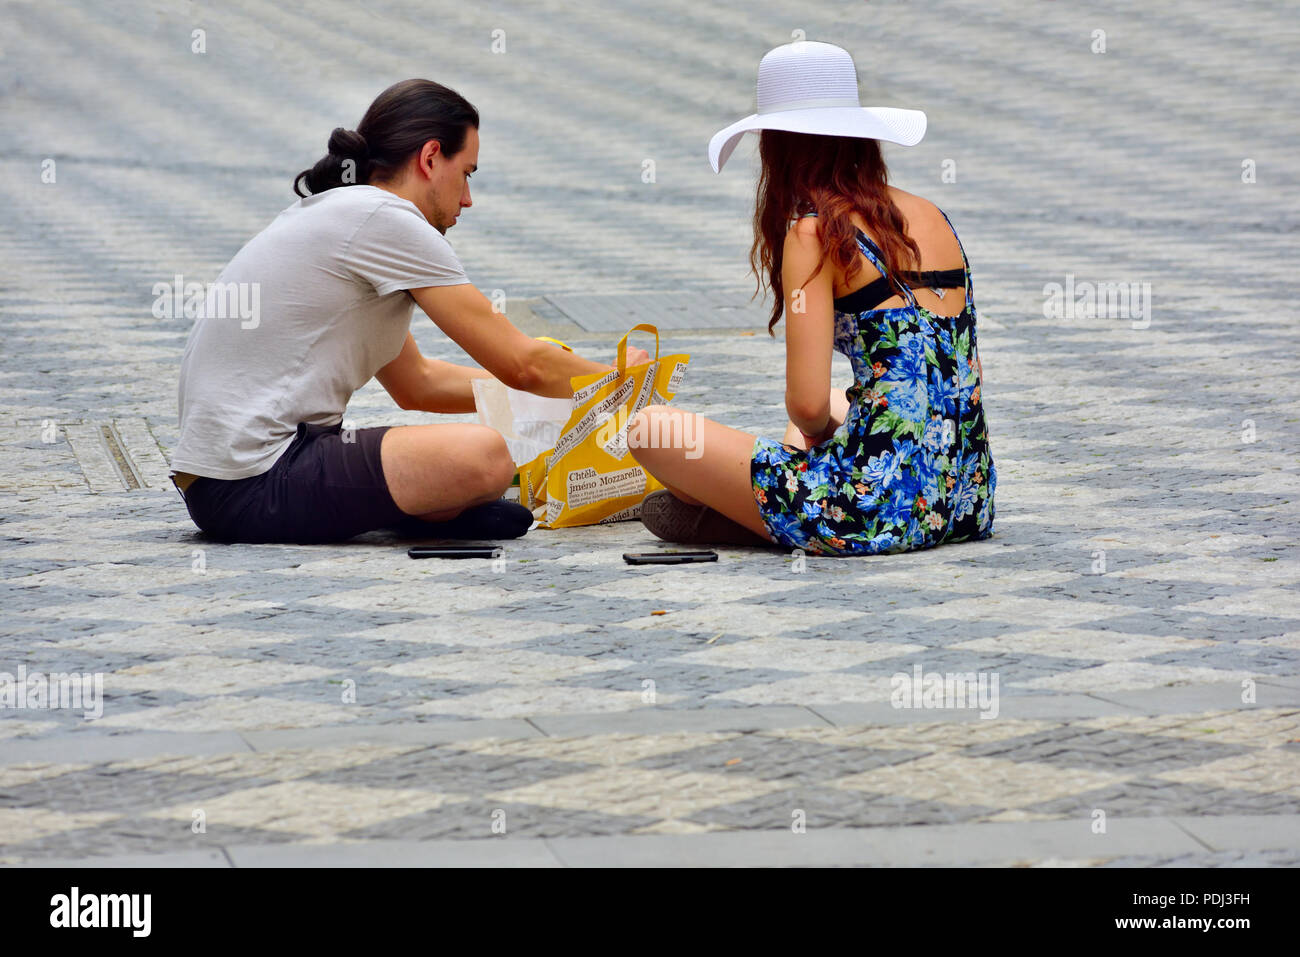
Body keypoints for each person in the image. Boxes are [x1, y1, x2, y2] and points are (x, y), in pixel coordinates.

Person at [170, 78, 646, 544]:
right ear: (431, 157)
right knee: (485, 458)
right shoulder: (386, 219)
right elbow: (521, 365)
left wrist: (554, 389)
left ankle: (420, 507)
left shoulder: (350, 212)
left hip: (219, 484)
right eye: (467, 174)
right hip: (254, 479)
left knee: (489, 490)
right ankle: (425, 508)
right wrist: (620, 384)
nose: (467, 198)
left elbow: (417, 382)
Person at [628, 41, 996, 556]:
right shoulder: (932, 216)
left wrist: (822, 431)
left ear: (777, 146)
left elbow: (804, 407)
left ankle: (754, 519)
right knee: (820, 415)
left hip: (875, 505)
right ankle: (752, 514)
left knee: (651, 430)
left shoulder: (816, 232)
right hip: (962, 497)